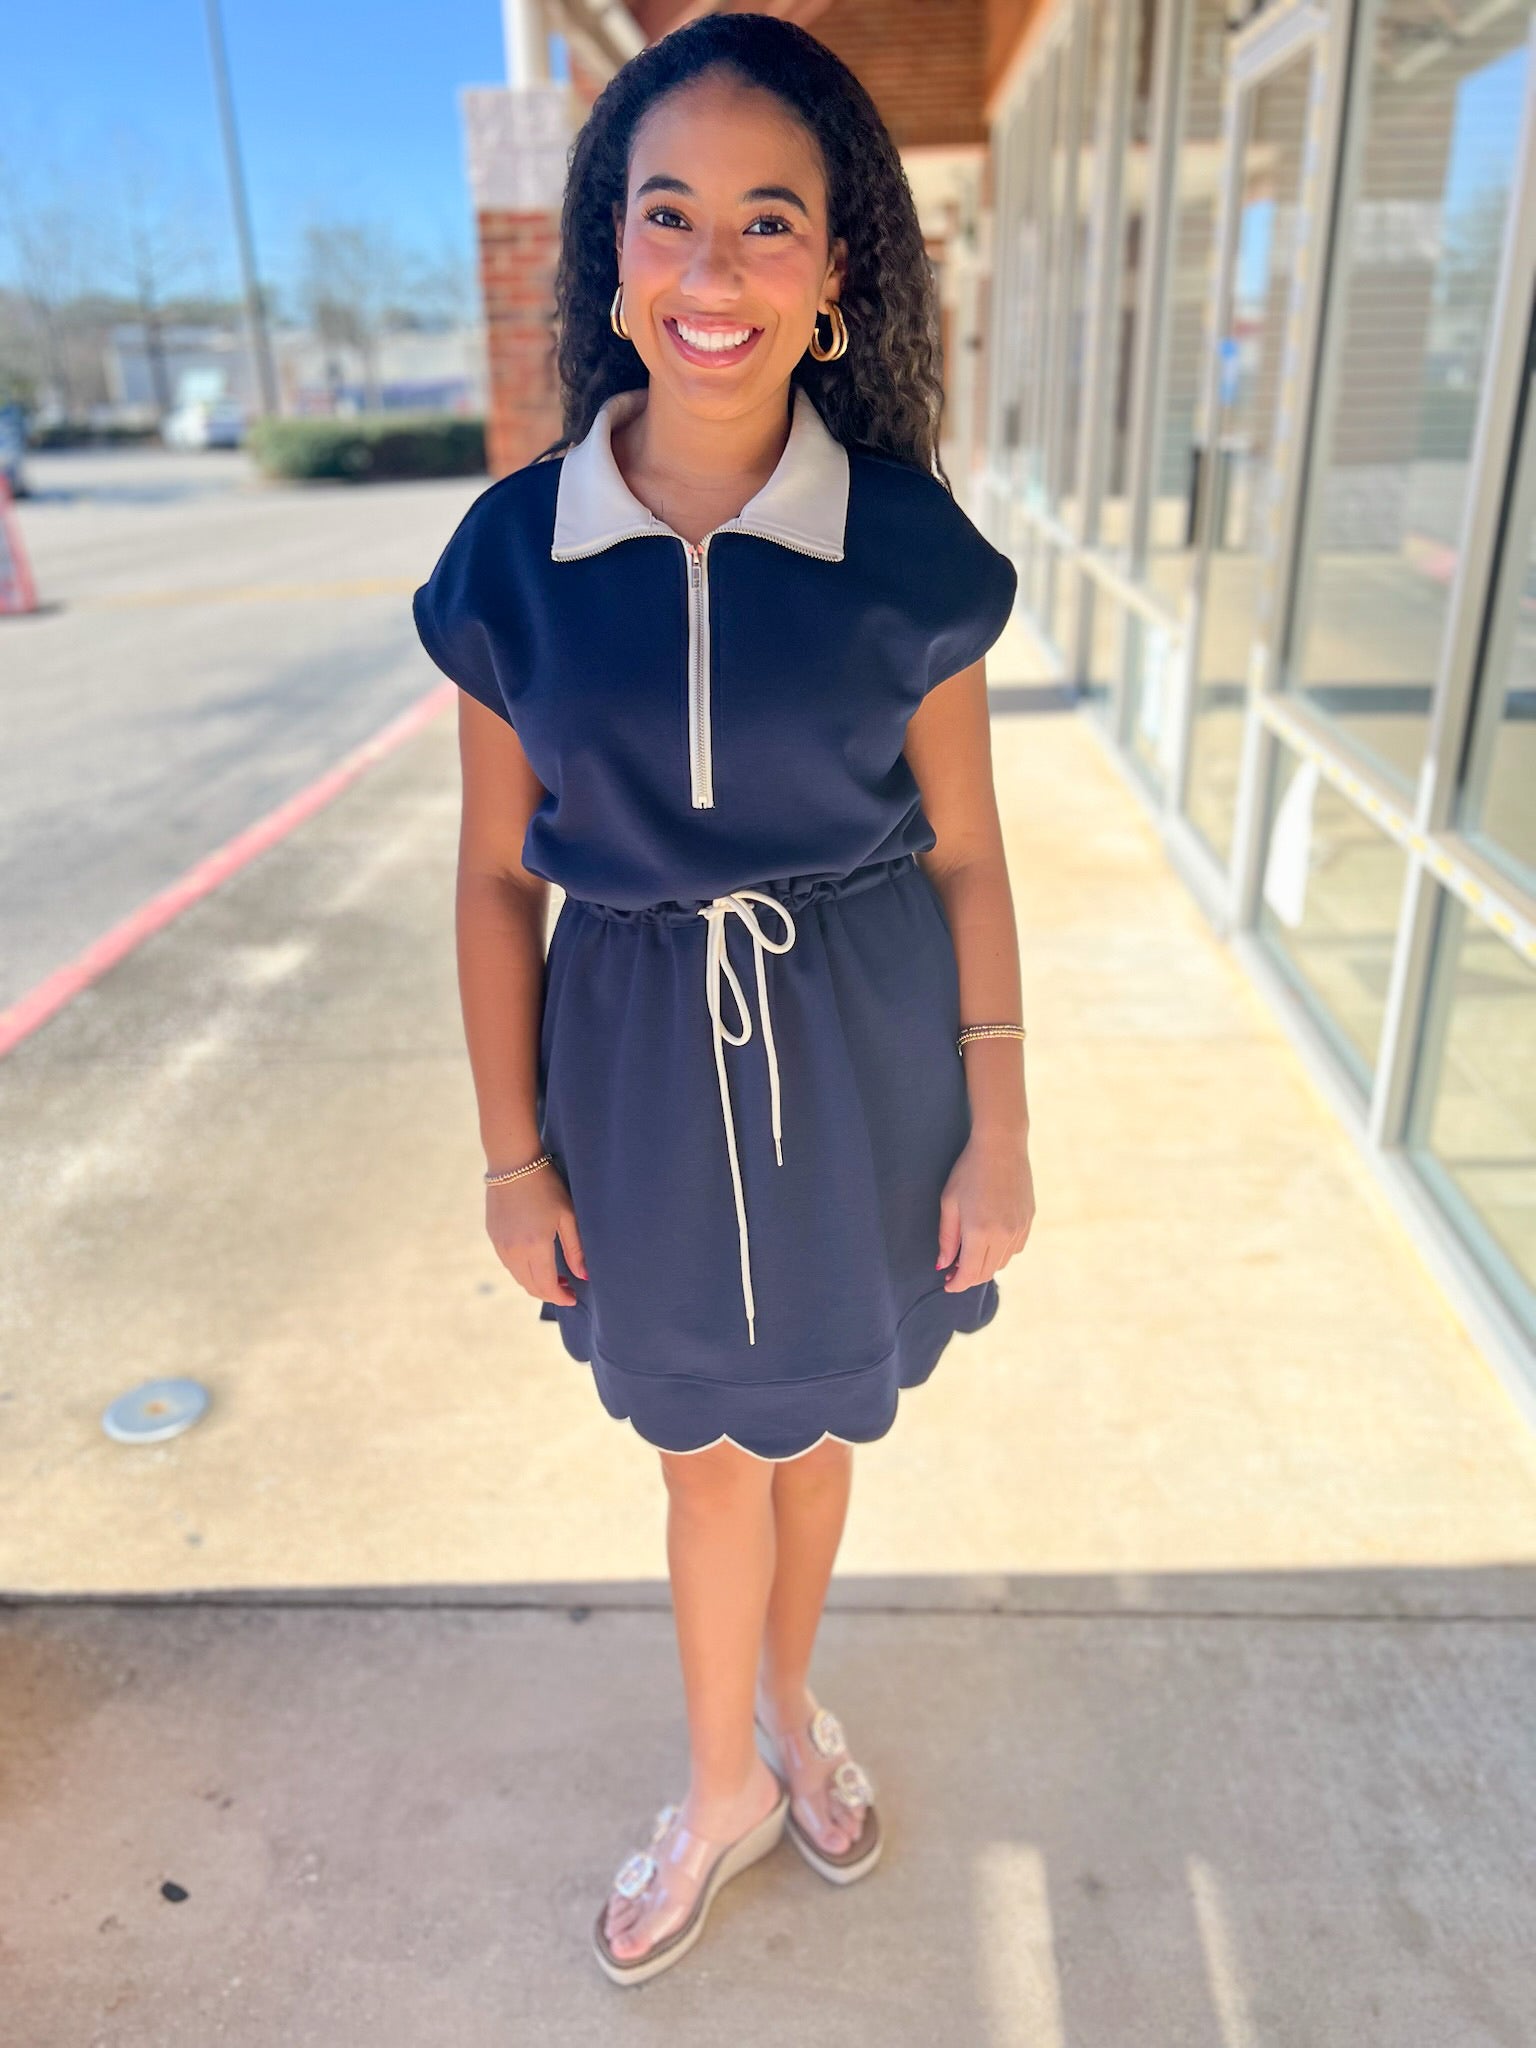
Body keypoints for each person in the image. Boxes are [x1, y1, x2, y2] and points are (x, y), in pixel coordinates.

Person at [411, 12, 1036, 1988]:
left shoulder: (907, 547)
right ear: (611, 254)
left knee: (820, 1429)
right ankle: (720, 1788)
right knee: (705, 1457)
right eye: (669, 214)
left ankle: (784, 1705)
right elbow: (493, 878)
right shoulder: (513, 558)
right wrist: (511, 1158)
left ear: (837, 267)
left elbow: (969, 856)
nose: (714, 266)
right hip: (638, 1079)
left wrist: (1001, 1129)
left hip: (863, 1064)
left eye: (770, 220)